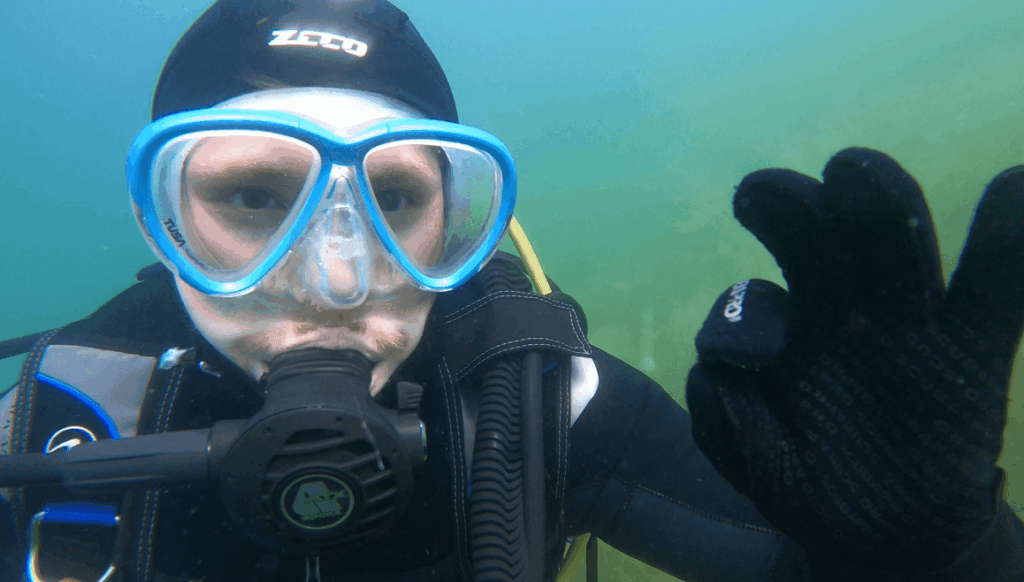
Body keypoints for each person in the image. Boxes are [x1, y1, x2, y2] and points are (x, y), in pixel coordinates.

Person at [1, 1, 1022, 581]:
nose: (338, 278)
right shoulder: (46, 432)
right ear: (162, 222)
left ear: (453, 215)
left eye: (394, 196)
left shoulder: (537, 402)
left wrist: (942, 546)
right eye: (257, 195)